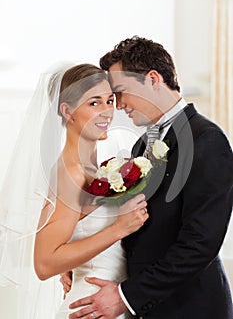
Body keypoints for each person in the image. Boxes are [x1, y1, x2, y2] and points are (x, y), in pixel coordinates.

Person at [65, 37, 233, 319]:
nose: (117, 105)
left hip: (191, 309)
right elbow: (137, 224)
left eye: (120, 92)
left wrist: (125, 297)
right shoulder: (141, 145)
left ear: (153, 78)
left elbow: (199, 244)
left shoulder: (207, 140)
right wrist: (84, 259)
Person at [0, 63, 149, 319]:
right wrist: (119, 228)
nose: (107, 112)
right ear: (67, 111)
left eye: (110, 101)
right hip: (90, 307)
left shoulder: (96, 166)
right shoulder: (71, 173)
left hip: (112, 302)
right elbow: (45, 264)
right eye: (94, 103)